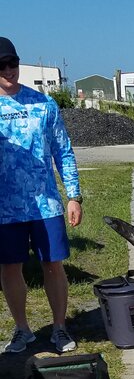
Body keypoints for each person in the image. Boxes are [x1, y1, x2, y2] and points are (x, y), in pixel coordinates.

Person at [0, 36, 83, 354]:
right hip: (5, 207)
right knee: (10, 267)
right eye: (1, 65)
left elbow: (63, 150)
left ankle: (60, 327)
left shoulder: (44, 105)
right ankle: (23, 330)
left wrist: (74, 195)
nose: (9, 70)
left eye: (13, 63)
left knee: (53, 264)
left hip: (46, 204)